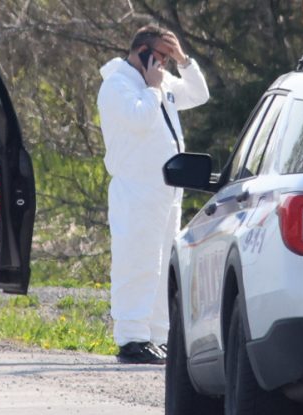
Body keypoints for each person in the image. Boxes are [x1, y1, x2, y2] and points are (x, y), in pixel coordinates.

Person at [97, 25, 210, 364]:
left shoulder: (159, 81)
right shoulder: (116, 84)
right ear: (143, 51)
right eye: (160, 56)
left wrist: (183, 60)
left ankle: (157, 336)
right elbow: (140, 119)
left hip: (166, 190)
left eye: (165, 58)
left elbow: (200, 94)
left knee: (161, 265)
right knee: (138, 261)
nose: (163, 64)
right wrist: (152, 88)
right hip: (136, 188)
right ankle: (131, 338)